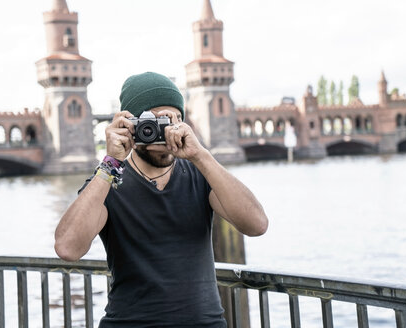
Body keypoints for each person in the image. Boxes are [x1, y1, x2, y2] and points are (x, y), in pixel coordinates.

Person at [55, 72, 268, 327]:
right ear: (129, 125)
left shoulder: (201, 175)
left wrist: (201, 155)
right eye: (153, 122)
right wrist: (110, 162)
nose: (165, 131)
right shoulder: (108, 181)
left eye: (173, 120)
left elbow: (256, 225)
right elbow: (67, 248)